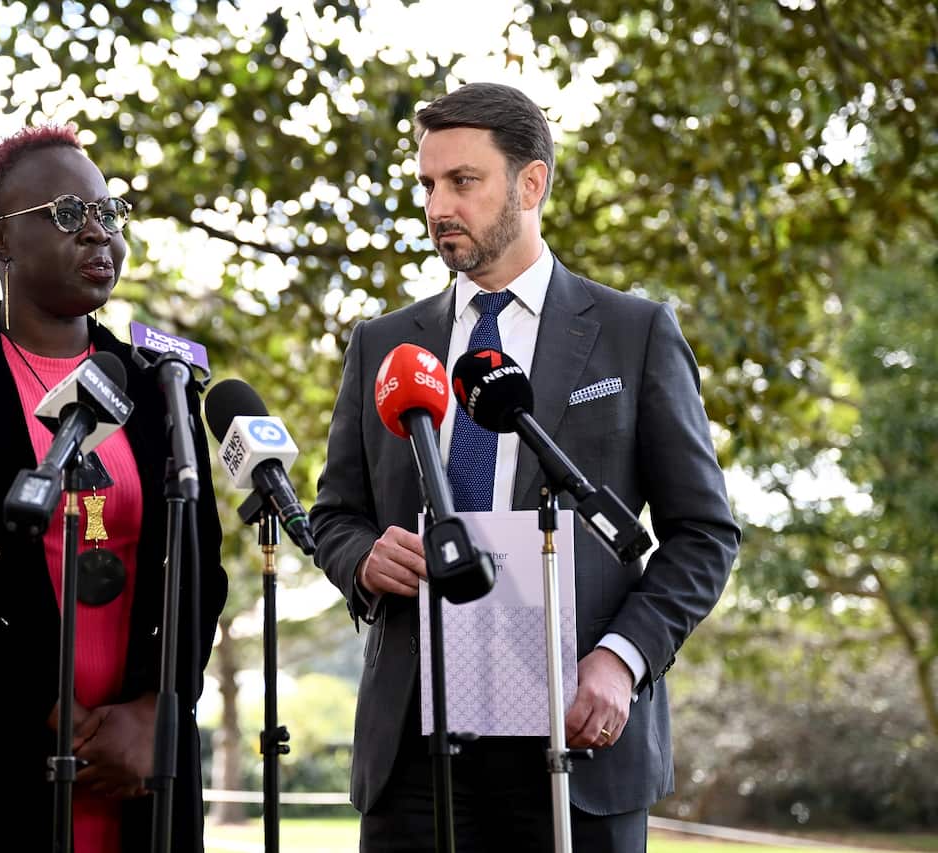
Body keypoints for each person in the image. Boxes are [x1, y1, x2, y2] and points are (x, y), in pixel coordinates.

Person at [310, 82, 741, 851]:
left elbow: (704, 533)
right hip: (412, 743)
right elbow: (334, 514)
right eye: (428, 184)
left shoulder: (634, 333)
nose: (439, 205)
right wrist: (363, 560)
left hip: (575, 741)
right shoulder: (381, 344)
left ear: (531, 183)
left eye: (462, 181)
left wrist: (620, 661)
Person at [0, 124, 227, 852]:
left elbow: (200, 571)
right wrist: (55, 714)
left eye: (108, 212)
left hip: (139, 766)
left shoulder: (162, 383)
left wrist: (156, 710)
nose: (98, 232)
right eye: (67, 214)